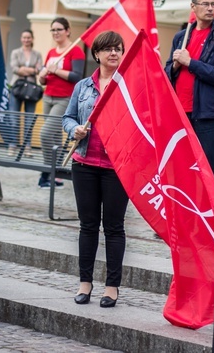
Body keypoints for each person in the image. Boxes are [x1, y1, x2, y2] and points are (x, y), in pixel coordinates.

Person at [63, 31, 129, 308]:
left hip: (117, 167)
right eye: (108, 49)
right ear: (97, 54)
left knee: (114, 227)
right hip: (84, 164)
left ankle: (112, 286)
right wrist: (73, 129)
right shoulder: (83, 87)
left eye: (118, 49)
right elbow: (67, 117)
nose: (114, 53)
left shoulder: (129, 86)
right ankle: (85, 283)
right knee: (88, 226)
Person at [164, 0, 214, 191]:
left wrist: (190, 62)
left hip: (208, 114)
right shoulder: (181, 37)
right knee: (180, 167)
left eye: (213, 4)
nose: (210, 8)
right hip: (180, 112)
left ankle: (213, 219)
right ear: (193, 7)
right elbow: (167, 73)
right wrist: (175, 65)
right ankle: (185, 215)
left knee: (208, 170)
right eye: (205, 4)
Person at [37, 17, 85, 188]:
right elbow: (44, 80)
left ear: (67, 31)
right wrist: (42, 76)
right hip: (47, 96)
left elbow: (77, 76)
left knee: (44, 134)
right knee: (55, 136)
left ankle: (49, 171)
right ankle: (56, 176)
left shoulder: (75, 51)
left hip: (64, 99)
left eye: (59, 29)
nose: (56, 33)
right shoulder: (51, 52)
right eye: (53, 30)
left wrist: (56, 70)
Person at [8, 29, 43, 156]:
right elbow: (16, 69)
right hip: (17, 87)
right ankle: (12, 145)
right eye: (24, 37)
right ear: (21, 39)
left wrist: (26, 69)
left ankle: (27, 147)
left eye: (28, 37)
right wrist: (32, 70)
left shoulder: (37, 54)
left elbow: (40, 70)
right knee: (14, 117)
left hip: (31, 89)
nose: (26, 40)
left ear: (32, 39)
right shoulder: (15, 52)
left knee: (29, 118)